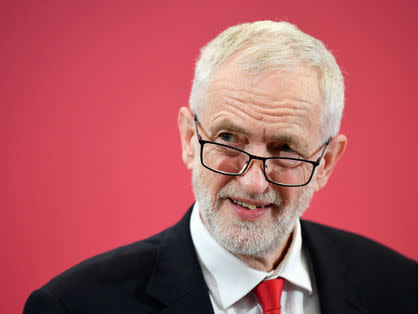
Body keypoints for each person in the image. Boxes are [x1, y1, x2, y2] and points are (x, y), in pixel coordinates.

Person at [23, 21, 416, 314]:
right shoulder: (74, 306)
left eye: (286, 149)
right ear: (189, 140)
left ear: (326, 162)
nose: (253, 182)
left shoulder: (402, 289)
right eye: (229, 139)